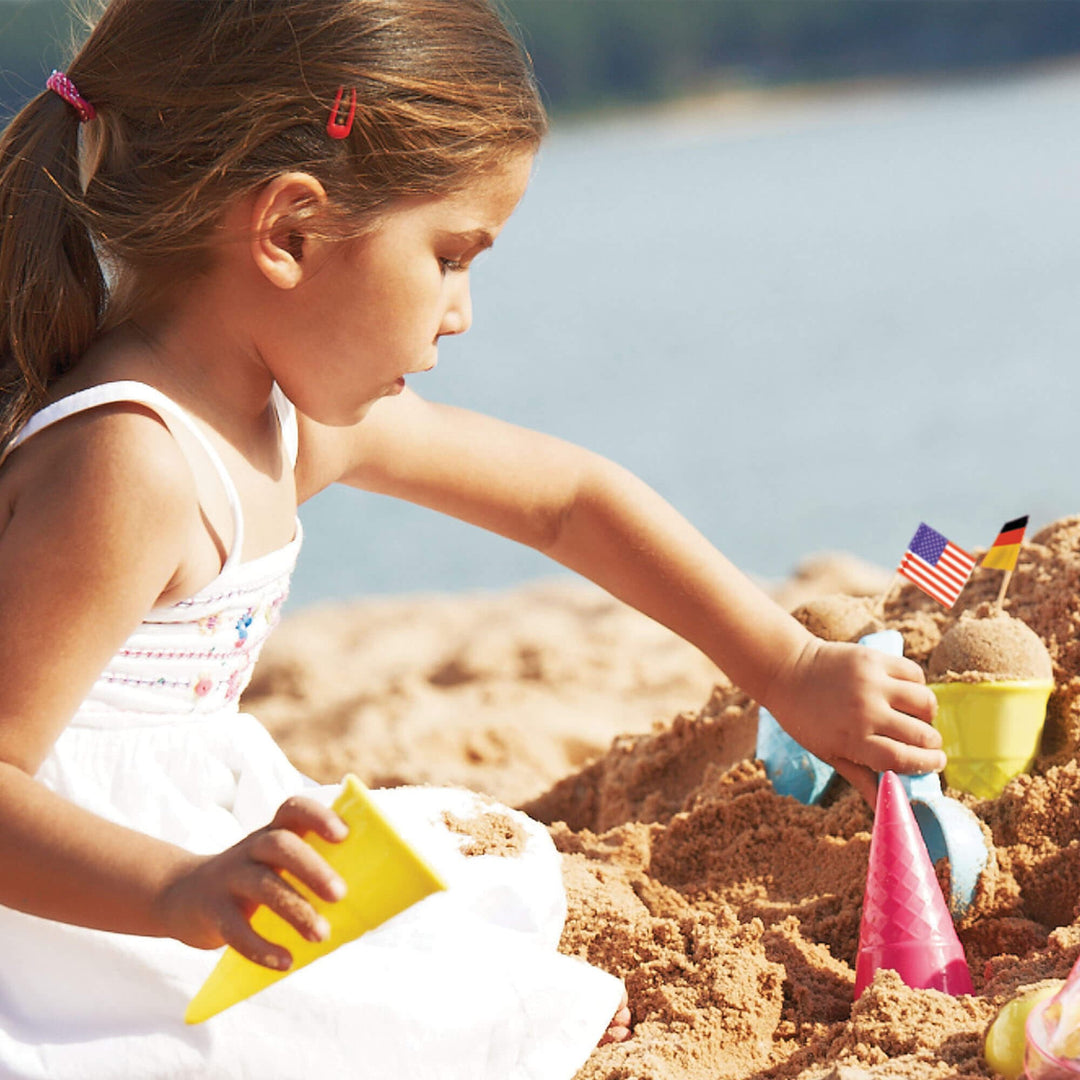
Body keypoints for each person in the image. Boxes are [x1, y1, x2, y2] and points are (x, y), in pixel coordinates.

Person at [0, 1, 946, 1077]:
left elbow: (564, 498)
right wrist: (177, 891)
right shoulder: (133, 463)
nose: (460, 312)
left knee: (467, 941)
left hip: (200, 868)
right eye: (452, 255)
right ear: (289, 233)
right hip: (80, 911)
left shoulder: (283, 417)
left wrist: (789, 666)